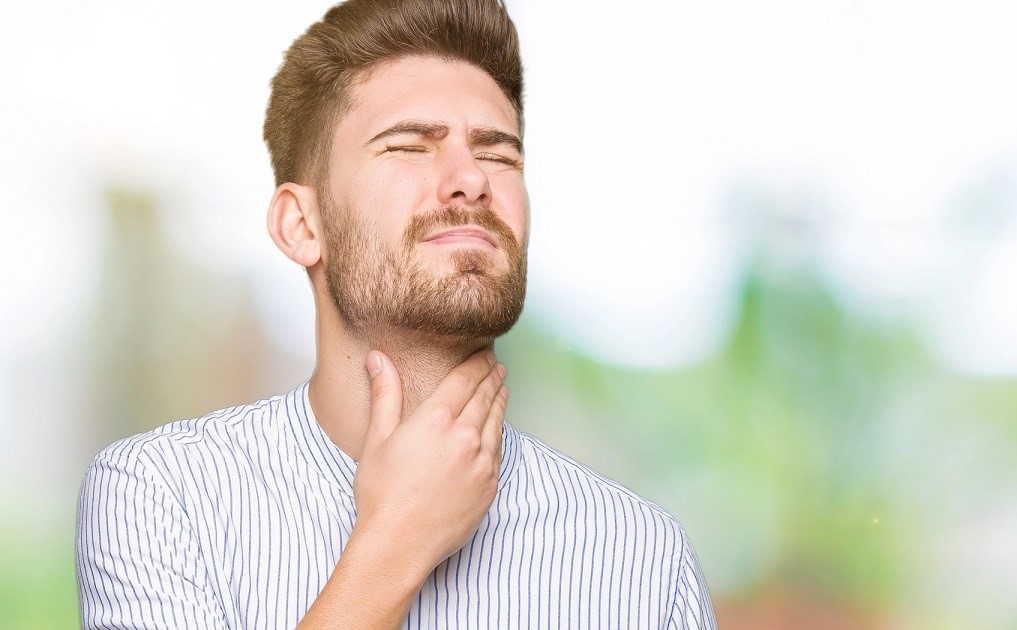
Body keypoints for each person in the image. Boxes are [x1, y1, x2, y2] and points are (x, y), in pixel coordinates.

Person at [75, 0, 717, 628]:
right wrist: (391, 549)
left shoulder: (644, 560)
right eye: (410, 146)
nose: (471, 179)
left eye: (499, 153)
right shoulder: (161, 498)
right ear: (302, 224)